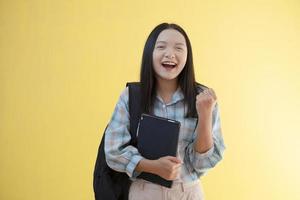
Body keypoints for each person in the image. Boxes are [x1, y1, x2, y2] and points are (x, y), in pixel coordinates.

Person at [104, 23, 226, 200]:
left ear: (187, 56)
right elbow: (113, 152)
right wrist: (152, 166)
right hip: (144, 192)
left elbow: (202, 163)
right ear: (149, 53)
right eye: (161, 47)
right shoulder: (131, 96)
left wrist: (205, 114)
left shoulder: (203, 98)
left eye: (179, 48)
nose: (170, 54)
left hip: (188, 192)